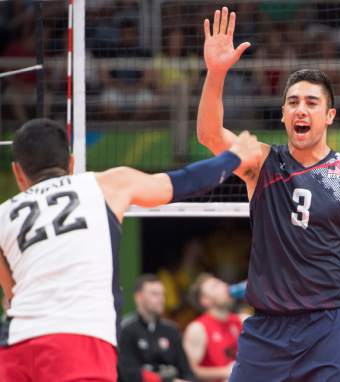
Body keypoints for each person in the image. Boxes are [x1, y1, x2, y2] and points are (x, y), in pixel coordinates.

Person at [197, 7, 340, 381]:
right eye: (293, 103)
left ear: (330, 115)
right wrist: (216, 73)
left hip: (329, 329)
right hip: (267, 331)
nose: (300, 110)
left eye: (311, 103)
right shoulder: (262, 162)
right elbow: (209, 135)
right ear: (283, 115)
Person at [0, 118, 262, 382]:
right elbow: (185, 182)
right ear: (70, 163)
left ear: (18, 172)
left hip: (14, 345)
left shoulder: (2, 215)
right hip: (79, 340)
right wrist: (234, 157)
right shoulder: (107, 184)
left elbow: (13, 294)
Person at [118, 274, 194, 382]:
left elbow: (187, 372)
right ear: (138, 297)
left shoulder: (172, 330)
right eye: (155, 294)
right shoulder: (126, 329)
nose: (161, 299)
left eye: (163, 294)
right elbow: (128, 374)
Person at [183, 274, 245, 382]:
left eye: (222, 282)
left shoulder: (241, 320)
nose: (224, 286)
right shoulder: (198, 329)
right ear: (205, 300)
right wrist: (224, 371)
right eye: (215, 286)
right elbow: (189, 370)